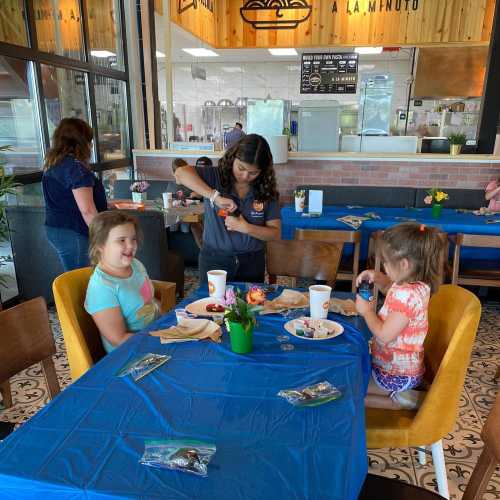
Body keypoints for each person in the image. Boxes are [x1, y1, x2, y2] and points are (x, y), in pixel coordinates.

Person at [355, 223, 445, 411]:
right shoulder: (416, 285)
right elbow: (391, 289)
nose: (384, 267)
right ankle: (401, 395)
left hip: (395, 374)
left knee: (353, 394)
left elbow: (385, 335)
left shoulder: (406, 295)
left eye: (386, 263)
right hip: (403, 368)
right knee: (354, 382)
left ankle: (404, 401)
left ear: (404, 264)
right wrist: (378, 277)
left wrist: (367, 311)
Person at [175, 133, 280, 283]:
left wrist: (245, 227)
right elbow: (180, 173)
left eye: (253, 173)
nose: (244, 176)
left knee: (250, 305)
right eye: (241, 168)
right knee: (211, 305)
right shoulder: (215, 176)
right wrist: (214, 197)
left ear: (263, 171)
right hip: (215, 260)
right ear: (233, 158)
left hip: (252, 262)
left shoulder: (267, 190)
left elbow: (275, 234)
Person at [85, 211, 159, 353]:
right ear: (100, 245)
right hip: (130, 354)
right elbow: (118, 339)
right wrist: (159, 340)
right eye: (121, 240)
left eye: (133, 239)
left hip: (154, 335)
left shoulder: (136, 265)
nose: (131, 246)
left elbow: (150, 302)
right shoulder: (102, 288)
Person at [42, 118, 107, 271]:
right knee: (81, 281)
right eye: (89, 141)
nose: (91, 145)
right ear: (81, 142)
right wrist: (103, 239)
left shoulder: (54, 164)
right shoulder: (75, 169)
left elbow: (65, 199)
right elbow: (87, 210)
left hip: (57, 229)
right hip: (74, 231)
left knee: (76, 277)